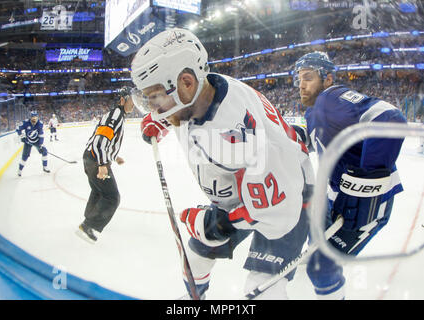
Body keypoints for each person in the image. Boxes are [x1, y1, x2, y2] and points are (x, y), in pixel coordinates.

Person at [131, 28, 314, 299]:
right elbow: (183, 107)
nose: (153, 107)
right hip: (247, 194)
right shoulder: (206, 87)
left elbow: (277, 212)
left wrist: (219, 224)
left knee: (262, 287)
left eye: (155, 97)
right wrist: (160, 119)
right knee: (195, 258)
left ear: (186, 81)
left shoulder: (233, 139)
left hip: (289, 198)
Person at [293, 51, 407, 299]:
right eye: (299, 78)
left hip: (368, 204)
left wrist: (365, 182)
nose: (301, 84)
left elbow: (390, 118)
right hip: (338, 198)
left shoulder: (330, 98)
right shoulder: (314, 112)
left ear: (328, 79)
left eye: (308, 77)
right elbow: (321, 140)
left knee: (322, 268)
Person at [76, 86, 134, 244]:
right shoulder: (115, 115)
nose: (133, 105)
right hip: (96, 159)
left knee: (98, 191)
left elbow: (105, 142)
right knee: (112, 197)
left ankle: (88, 220)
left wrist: (114, 157)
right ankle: (88, 226)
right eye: (131, 101)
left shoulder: (117, 115)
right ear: (122, 100)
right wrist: (102, 164)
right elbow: (100, 141)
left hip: (90, 158)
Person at [16, 110, 50, 176]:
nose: (34, 118)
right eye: (32, 117)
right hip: (28, 142)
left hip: (37, 141)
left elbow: (41, 135)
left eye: (35, 117)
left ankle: (45, 167)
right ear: (30, 117)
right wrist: (22, 136)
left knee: (44, 151)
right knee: (25, 157)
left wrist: (40, 144)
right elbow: (18, 129)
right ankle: (19, 170)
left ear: (37, 117)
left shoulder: (40, 124)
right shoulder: (26, 122)